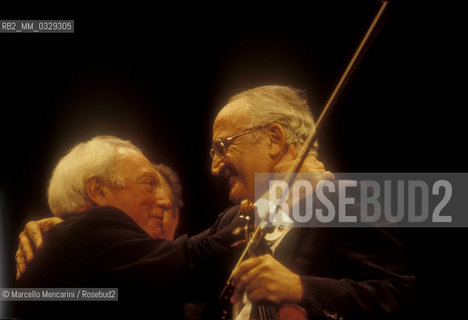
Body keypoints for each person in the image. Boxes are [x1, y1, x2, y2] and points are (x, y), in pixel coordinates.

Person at [17, 85, 421, 319]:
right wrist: (67, 227)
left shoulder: (348, 198)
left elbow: (400, 297)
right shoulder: (233, 219)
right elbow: (172, 261)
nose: (213, 167)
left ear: (275, 139)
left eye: (222, 147)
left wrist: (301, 288)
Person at [14, 135, 243, 320]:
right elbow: (200, 263)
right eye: (149, 184)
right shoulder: (88, 232)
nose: (162, 201)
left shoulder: (69, 241)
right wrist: (271, 197)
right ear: (98, 190)